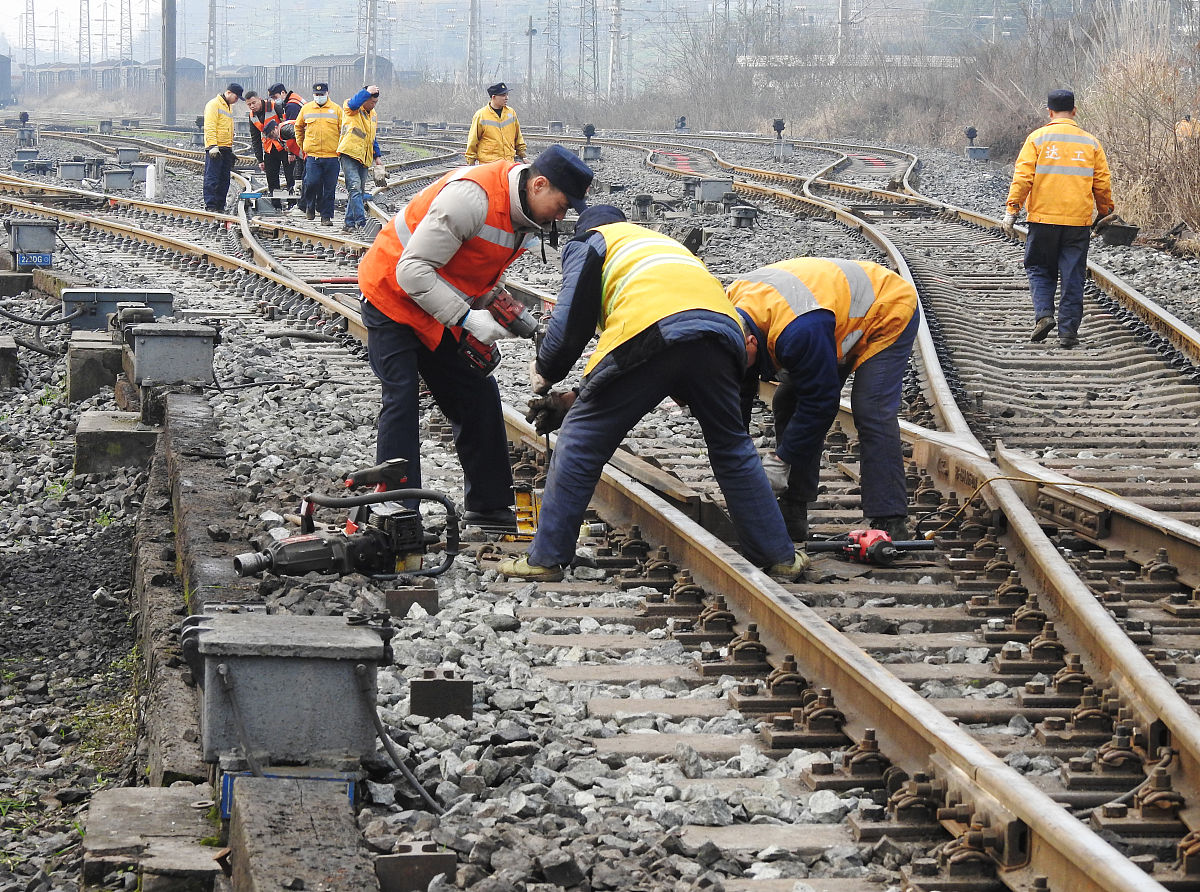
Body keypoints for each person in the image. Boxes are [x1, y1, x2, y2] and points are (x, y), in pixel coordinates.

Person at [498, 205, 808, 583]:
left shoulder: (592, 241)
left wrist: (545, 373)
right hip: (722, 336)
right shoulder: (659, 244)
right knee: (732, 447)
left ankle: (545, 558)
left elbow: (571, 325)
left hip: (653, 330)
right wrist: (578, 396)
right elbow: (666, 370)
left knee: (579, 442)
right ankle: (779, 556)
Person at [356, 145, 594, 530]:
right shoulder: (472, 199)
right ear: (538, 185)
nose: (562, 216)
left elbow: (474, 268)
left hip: (440, 305)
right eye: (562, 204)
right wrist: (468, 318)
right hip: (393, 297)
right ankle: (397, 512)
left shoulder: (524, 217)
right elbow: (412, 271)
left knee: (478, 395)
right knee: (400, 397)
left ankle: (490, 508)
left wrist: (518, 321)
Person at [729, 258, 919, 543]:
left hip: (886, 309)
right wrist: (735, 456)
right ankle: (793, 510)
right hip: (830, 318)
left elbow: (821, 402)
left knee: (871, 408)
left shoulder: (797, 331)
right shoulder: (730, 313)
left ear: (751, 342)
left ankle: (889, 519)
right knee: (787, 400)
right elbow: (740, 390)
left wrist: (781, 461)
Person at [1002, 89, 1114, 349]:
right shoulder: (1091, 143)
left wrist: (1012, 210)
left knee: (1039, 267)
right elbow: (1102, 184)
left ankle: (1044, 315)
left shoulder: (1037, 139)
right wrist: (1105, 211)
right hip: (1078, 223)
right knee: (1073, 274)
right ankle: (1068, 333)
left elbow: (1022, 179)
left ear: (1049, 112)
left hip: (1043, 220)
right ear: (1074, 111)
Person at [338, 84, 386, 232]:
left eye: (375, 102)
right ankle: (362, 222)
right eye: (372, 101)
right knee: (354, 188)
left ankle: (349, 223)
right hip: (349, 153)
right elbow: (353, 103)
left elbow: (372, 137)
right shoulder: (351, 107)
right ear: (365, 99)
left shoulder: (373, 115)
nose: (373, 105)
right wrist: (366, 92)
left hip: (364, 156)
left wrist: (377, 156)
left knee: (358, 190)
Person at [294, 82, 343, 225]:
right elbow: (298, 127)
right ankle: (310, 205)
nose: (319, 97)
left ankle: (326, 216)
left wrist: (339, 148)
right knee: (311, 182)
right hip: (313, 156)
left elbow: (343, 131)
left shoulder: (336, 110)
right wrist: (302, 145)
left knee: (329, 188)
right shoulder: (306, 109)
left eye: (321, 94)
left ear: (328, 93)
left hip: (332, 156)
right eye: (316, 94)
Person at [202, 82, 243, 212]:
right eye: (236, 97)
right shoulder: (214, 105)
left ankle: (220, 204)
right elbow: (210, 126)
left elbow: (226, 128)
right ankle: (211, 205)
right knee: (212, 177)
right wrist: (213, 146)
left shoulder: (228, 107)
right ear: (229, 92)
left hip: (225, 148)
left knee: (224, 178)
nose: (236, 100)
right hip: (216, 148)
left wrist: (230, 148)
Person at [464, 83, 527, 165]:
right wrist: (470, 161)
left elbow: (518, 136)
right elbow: (473, 140)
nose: (506, 98)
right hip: (489, 164)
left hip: (508, 163)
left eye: (507, 95)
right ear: (493, 97)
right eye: (503, 95)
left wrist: (523, 155)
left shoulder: (511, 113)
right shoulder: (481, 115)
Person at [244, 91, 287, 209]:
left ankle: (293, 203)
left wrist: (290, 147)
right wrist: (260, 159)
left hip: (284, 147)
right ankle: (276, 205)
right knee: (272, 178)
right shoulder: (252, 116)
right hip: (269, 149)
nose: (252, 106)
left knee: (290, 176)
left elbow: (287, 124)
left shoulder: (275, 106)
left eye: (254, 103)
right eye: (249, 104)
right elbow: (255, 138)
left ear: (260, 99)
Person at [268, 82, 305, 195]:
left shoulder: (292, 106)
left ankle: (299, 199)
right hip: (305, 143)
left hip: (302, 145)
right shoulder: (294, 100)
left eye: (275, 97)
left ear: (283, 93)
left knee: (300, 174)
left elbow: (293, 131)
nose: (274, 100)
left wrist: (291, 152)